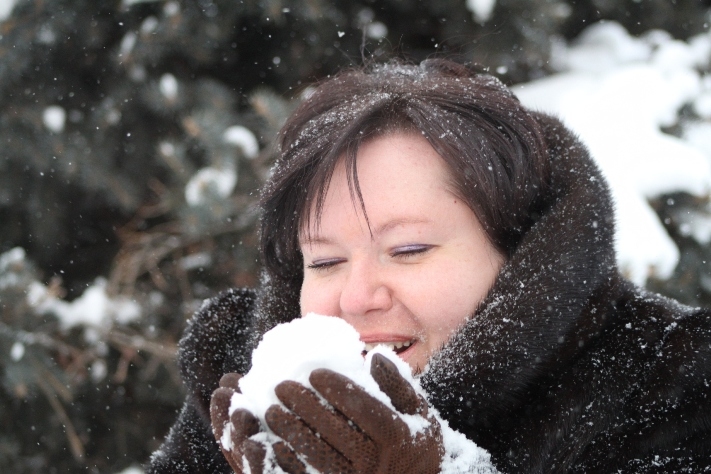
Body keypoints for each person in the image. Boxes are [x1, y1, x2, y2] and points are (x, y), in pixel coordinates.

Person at [147, 59, 711, 473]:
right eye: (325, 260)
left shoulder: (672, 380)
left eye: (408, 250)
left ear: (516, 251)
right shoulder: (250, 395)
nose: (356, 297)